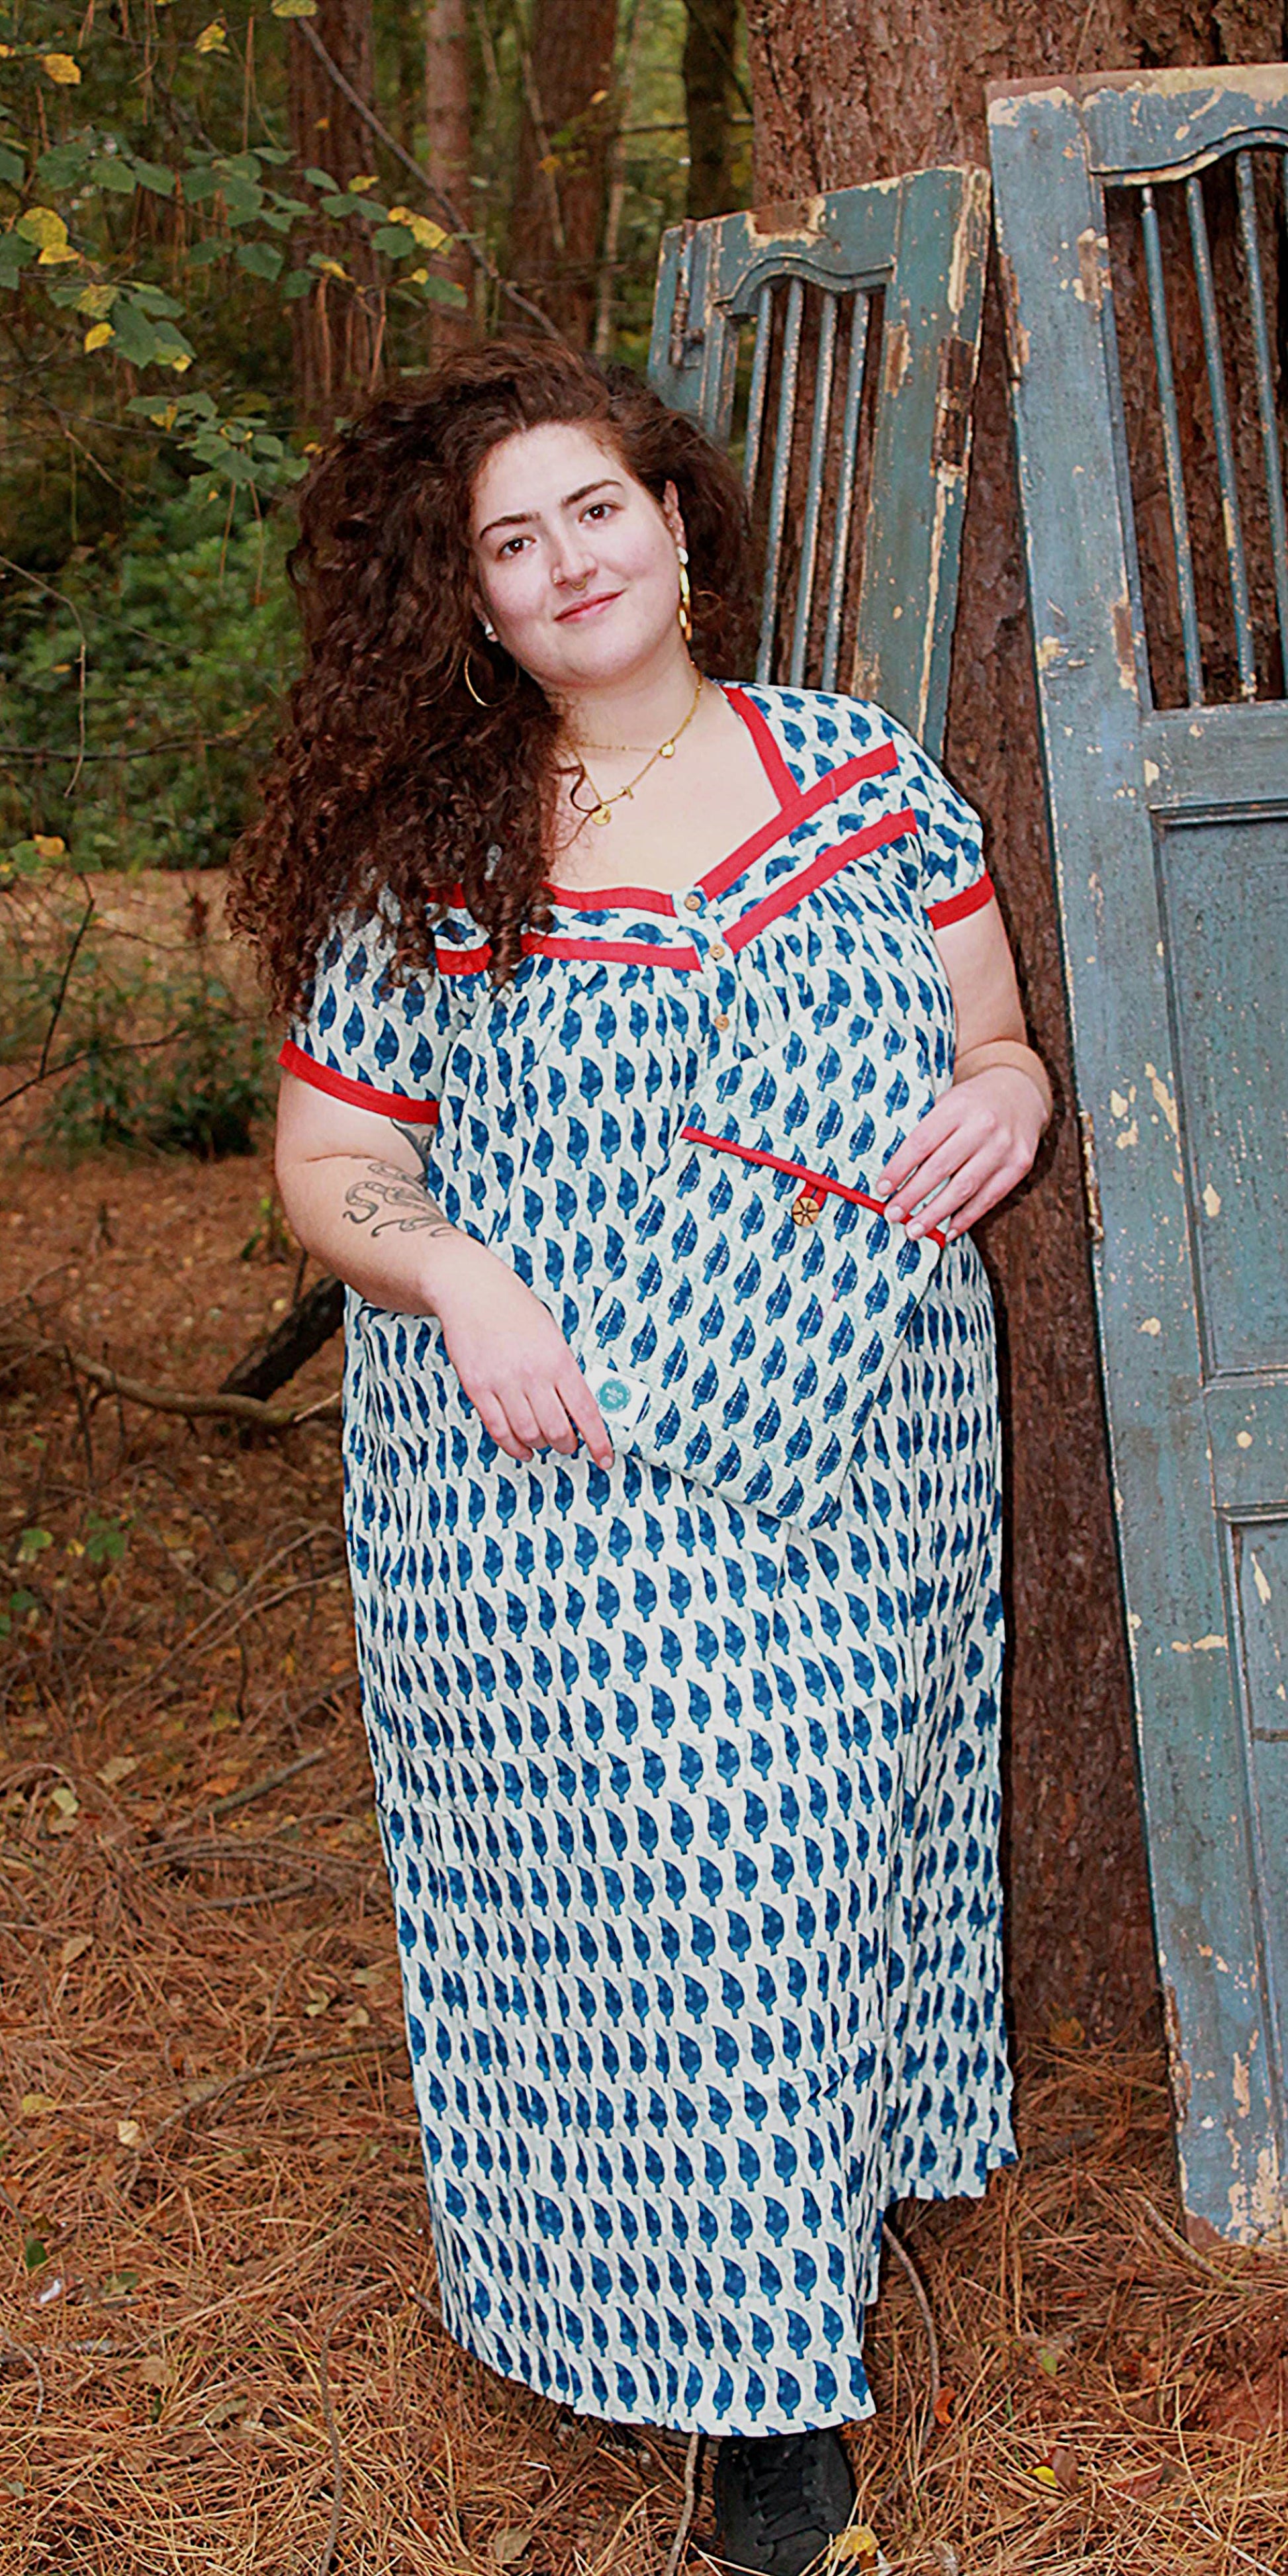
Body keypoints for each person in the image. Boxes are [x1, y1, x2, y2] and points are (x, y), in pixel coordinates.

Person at [232, 340, 1050, 2576]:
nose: (566, 560)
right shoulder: (430, 859)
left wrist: (1014, 1089)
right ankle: (739, 2373)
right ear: (474, 606)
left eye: (594, 509)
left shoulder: (865, 775)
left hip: (855, 1441)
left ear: (676, 527)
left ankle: (772, 2346)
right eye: (511, 542)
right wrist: (465, 1283)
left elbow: (982, 1027)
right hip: (543, 1462)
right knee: (643, 1917)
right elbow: (329, 1164)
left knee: (803, 1867)